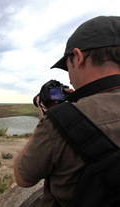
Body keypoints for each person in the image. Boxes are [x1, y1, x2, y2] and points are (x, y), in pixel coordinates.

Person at [13, 16, 120, 207]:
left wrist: (49, 115)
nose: (69, 79)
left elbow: (23, 177)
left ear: (78, 57)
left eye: (67, 66)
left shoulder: (62, 120)